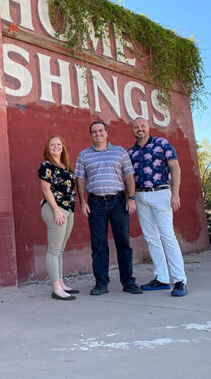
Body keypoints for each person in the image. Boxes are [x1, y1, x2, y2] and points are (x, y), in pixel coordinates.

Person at [74, 121, 142, 296]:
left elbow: (129, 175)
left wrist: (131, 199)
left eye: (100, 130)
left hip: (119, 201)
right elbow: (80, 179)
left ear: (106, 133)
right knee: (98, 245)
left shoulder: (119, 151)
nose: (98, 134)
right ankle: (101, 283)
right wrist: (83, 202)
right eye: (94, 132)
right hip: (95, 204)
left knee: (123, 243)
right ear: (91, 135)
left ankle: (128, 282)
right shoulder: (83, 155)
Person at [128, 118, 188, 297]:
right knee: (151, 238)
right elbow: (129, 178)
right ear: (133, 130)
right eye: (136, 127)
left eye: (142, 126)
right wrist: (131, 198)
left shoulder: (162, 144)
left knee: (167, 236)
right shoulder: (130, 152)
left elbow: (175, 168)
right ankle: (161, 278)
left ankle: (180, 280)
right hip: (140, 195)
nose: (140, 129)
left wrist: (175, 193)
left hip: (160, 193)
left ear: (148, 127)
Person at [38, 135, 79, 301]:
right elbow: (46, 189)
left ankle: (61, 283)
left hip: (68, 209)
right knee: (54, 250)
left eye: (58, 144)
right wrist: (56, 210)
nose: (56, 147)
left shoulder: (66, 167)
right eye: (52, 145)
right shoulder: (46, 165)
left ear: (63, 146)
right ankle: (56, 288)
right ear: (48, 148)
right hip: (56, 209)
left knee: (60, 250)